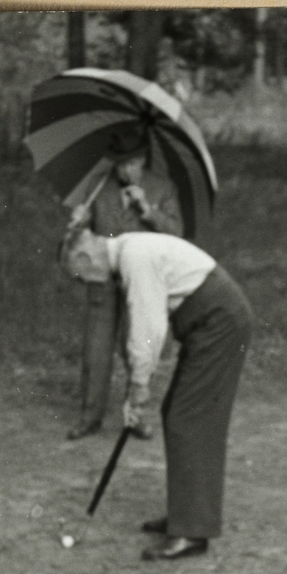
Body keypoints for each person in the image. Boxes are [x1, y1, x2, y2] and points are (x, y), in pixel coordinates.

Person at [60, 227, 252, 560]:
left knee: (188, 419)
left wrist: (138, 385)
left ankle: (192, 531)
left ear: (84, 258)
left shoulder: (135, 257)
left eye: (81, 277)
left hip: (219, 323)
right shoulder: (130, 251)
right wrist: (139, 383)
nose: (89, 284)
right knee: (176, 413)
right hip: (208, 323)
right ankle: (185, 514)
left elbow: (148, 328)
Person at [65, 130, 184, 441]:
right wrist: (78, 222)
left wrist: (148, 211)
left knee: (138, 347)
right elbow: (81, 234)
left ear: (142, 160)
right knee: (96, 349)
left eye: (130, 164)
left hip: (141, 281)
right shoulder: (99, 185)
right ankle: (90, 417)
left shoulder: (161, 188)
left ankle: (136, 417)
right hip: (103, 278)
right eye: (119, 164)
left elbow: (177, 235)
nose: (124, 171)